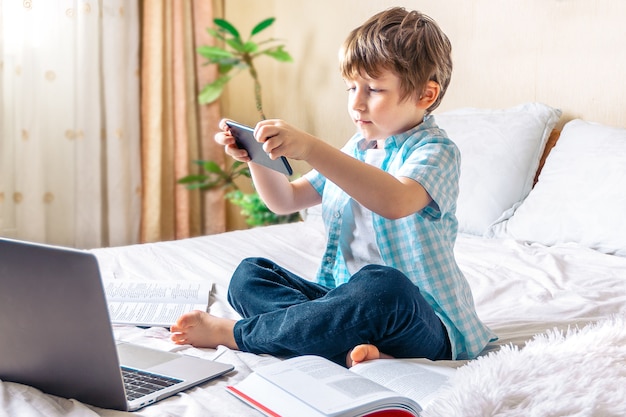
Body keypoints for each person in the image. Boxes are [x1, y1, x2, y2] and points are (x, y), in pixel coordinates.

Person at [171, 6, 496, 367]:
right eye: (351, 87)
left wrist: (310, 147)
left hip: (421, 320)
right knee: (250, 275)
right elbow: (286, 199)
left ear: (426, 96)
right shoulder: (356, 149)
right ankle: (341, 344)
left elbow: (395, 200)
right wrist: (257, 158)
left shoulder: (436, 151)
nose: (356, 103)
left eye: (373, 89)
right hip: (343, 301)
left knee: (382, 286)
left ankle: (237, 334)